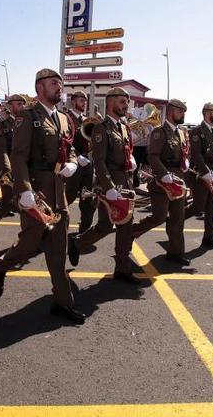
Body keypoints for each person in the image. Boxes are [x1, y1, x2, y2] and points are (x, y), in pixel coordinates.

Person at [0, 69, 85, 323]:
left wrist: (73, 163)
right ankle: (1, 265)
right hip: (37, 190)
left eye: (60, 84)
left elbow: (71, 148)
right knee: (29, 245)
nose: (59, 87)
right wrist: (24, 190)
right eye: (54, 83)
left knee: (58, 250)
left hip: (58, 190)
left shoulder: (64, 119)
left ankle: (62, 302)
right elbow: (18, 155)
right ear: (40, 88)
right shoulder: (27, 117)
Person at [69, 87, 143, 281]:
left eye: (126, 102)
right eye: (122, 102)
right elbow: (99, 161)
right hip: (110, 182)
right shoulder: (101, 128)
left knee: (126, 225)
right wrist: (108, 188)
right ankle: (77, 244)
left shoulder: (124, 127)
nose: (126, 105)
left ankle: (122, 268)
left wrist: (132, 160)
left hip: (125, 180)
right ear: (110, 103)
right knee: (104, 225)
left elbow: (126, 150)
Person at [130, 99, 190, 265]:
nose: (183, 114)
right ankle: (132, 232)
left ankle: (175, 253)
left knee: (178, 218)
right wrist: (164, 174)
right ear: (171, 112)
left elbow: (183, 153)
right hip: (162, 181)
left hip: (178, 181)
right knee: (159, 217)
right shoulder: (159, 132)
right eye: (180, 111)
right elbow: (152, 156)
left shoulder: (181, 132)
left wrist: (185, 163)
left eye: (184, 111)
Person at [184, 103, 213, 249]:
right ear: (207, 113)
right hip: (200, 174)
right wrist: (206, 173)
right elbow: (196, 154)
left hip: (211, 172)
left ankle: (210, 239)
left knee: (212, 207)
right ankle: (174, 221)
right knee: (198, 206)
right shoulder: (197, 131)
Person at [0, 94, 26, 238]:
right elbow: (1, 150)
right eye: (18, 104)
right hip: (9, 169)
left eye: (22, 104)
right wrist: (8, 170)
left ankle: (30, 236)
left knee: (21, 203)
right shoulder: (1, 126)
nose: (21, 107)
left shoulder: (27, 123)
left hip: (26, 169)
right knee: (9, 202)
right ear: (9, 106)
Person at [63, 91, 96, 233]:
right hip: (73, 163)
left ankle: (84, 231)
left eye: (85, 100)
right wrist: (77, 157)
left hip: (87, 163)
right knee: (67, 197)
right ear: (73, 102)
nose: (84, 103)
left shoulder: (86, 119)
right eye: (81, 100)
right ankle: (53, 229)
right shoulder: (65, 118)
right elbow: (64, 142)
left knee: (89, 199)